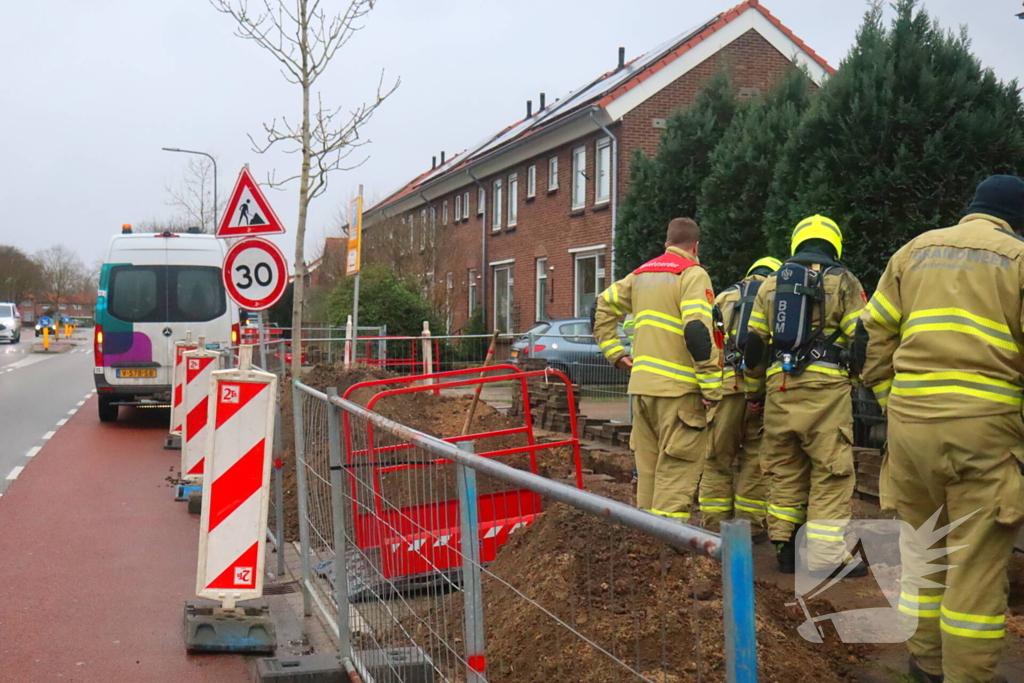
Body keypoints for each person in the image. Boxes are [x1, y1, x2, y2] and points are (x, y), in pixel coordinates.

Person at [858, 175, 1024, 683]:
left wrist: (892, 403)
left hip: (909, 430)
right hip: (984, 433)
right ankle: (967, 676)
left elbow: (871, 337)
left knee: (923, 551)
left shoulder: (913, 252)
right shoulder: (1018, 259)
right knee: (974, 567)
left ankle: (927, 665)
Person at [744, 215, 867, 577]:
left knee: (785, 470)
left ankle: (785, 548)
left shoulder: (771, 284)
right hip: (826, 392)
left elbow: (753, 345)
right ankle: (827, 556)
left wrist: (755, 391)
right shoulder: (844, 280)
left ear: (797, 242)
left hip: (780, 388)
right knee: (830, 471)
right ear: (834, 244)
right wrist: (860, 378)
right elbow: (862, 337)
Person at [593, 217, 722, 521]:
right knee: (675, 478)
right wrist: (711, 387)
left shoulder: (640, 275)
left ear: (666, 244)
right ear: (695, 247)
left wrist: (615, 353)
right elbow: (697, 331)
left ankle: (647, 541)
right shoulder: (692, 274)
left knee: (648, 478)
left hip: (642, 391)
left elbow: (601, 305)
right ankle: (669, 545)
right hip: (679, 394)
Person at [698, 256, 781, 537]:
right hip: (762, 392)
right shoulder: (777, 297)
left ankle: (715, 528)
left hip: (726, 389)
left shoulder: (723, 298)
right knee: (755, 462)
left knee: (717, 460)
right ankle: (750, 529)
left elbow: (707, 344)